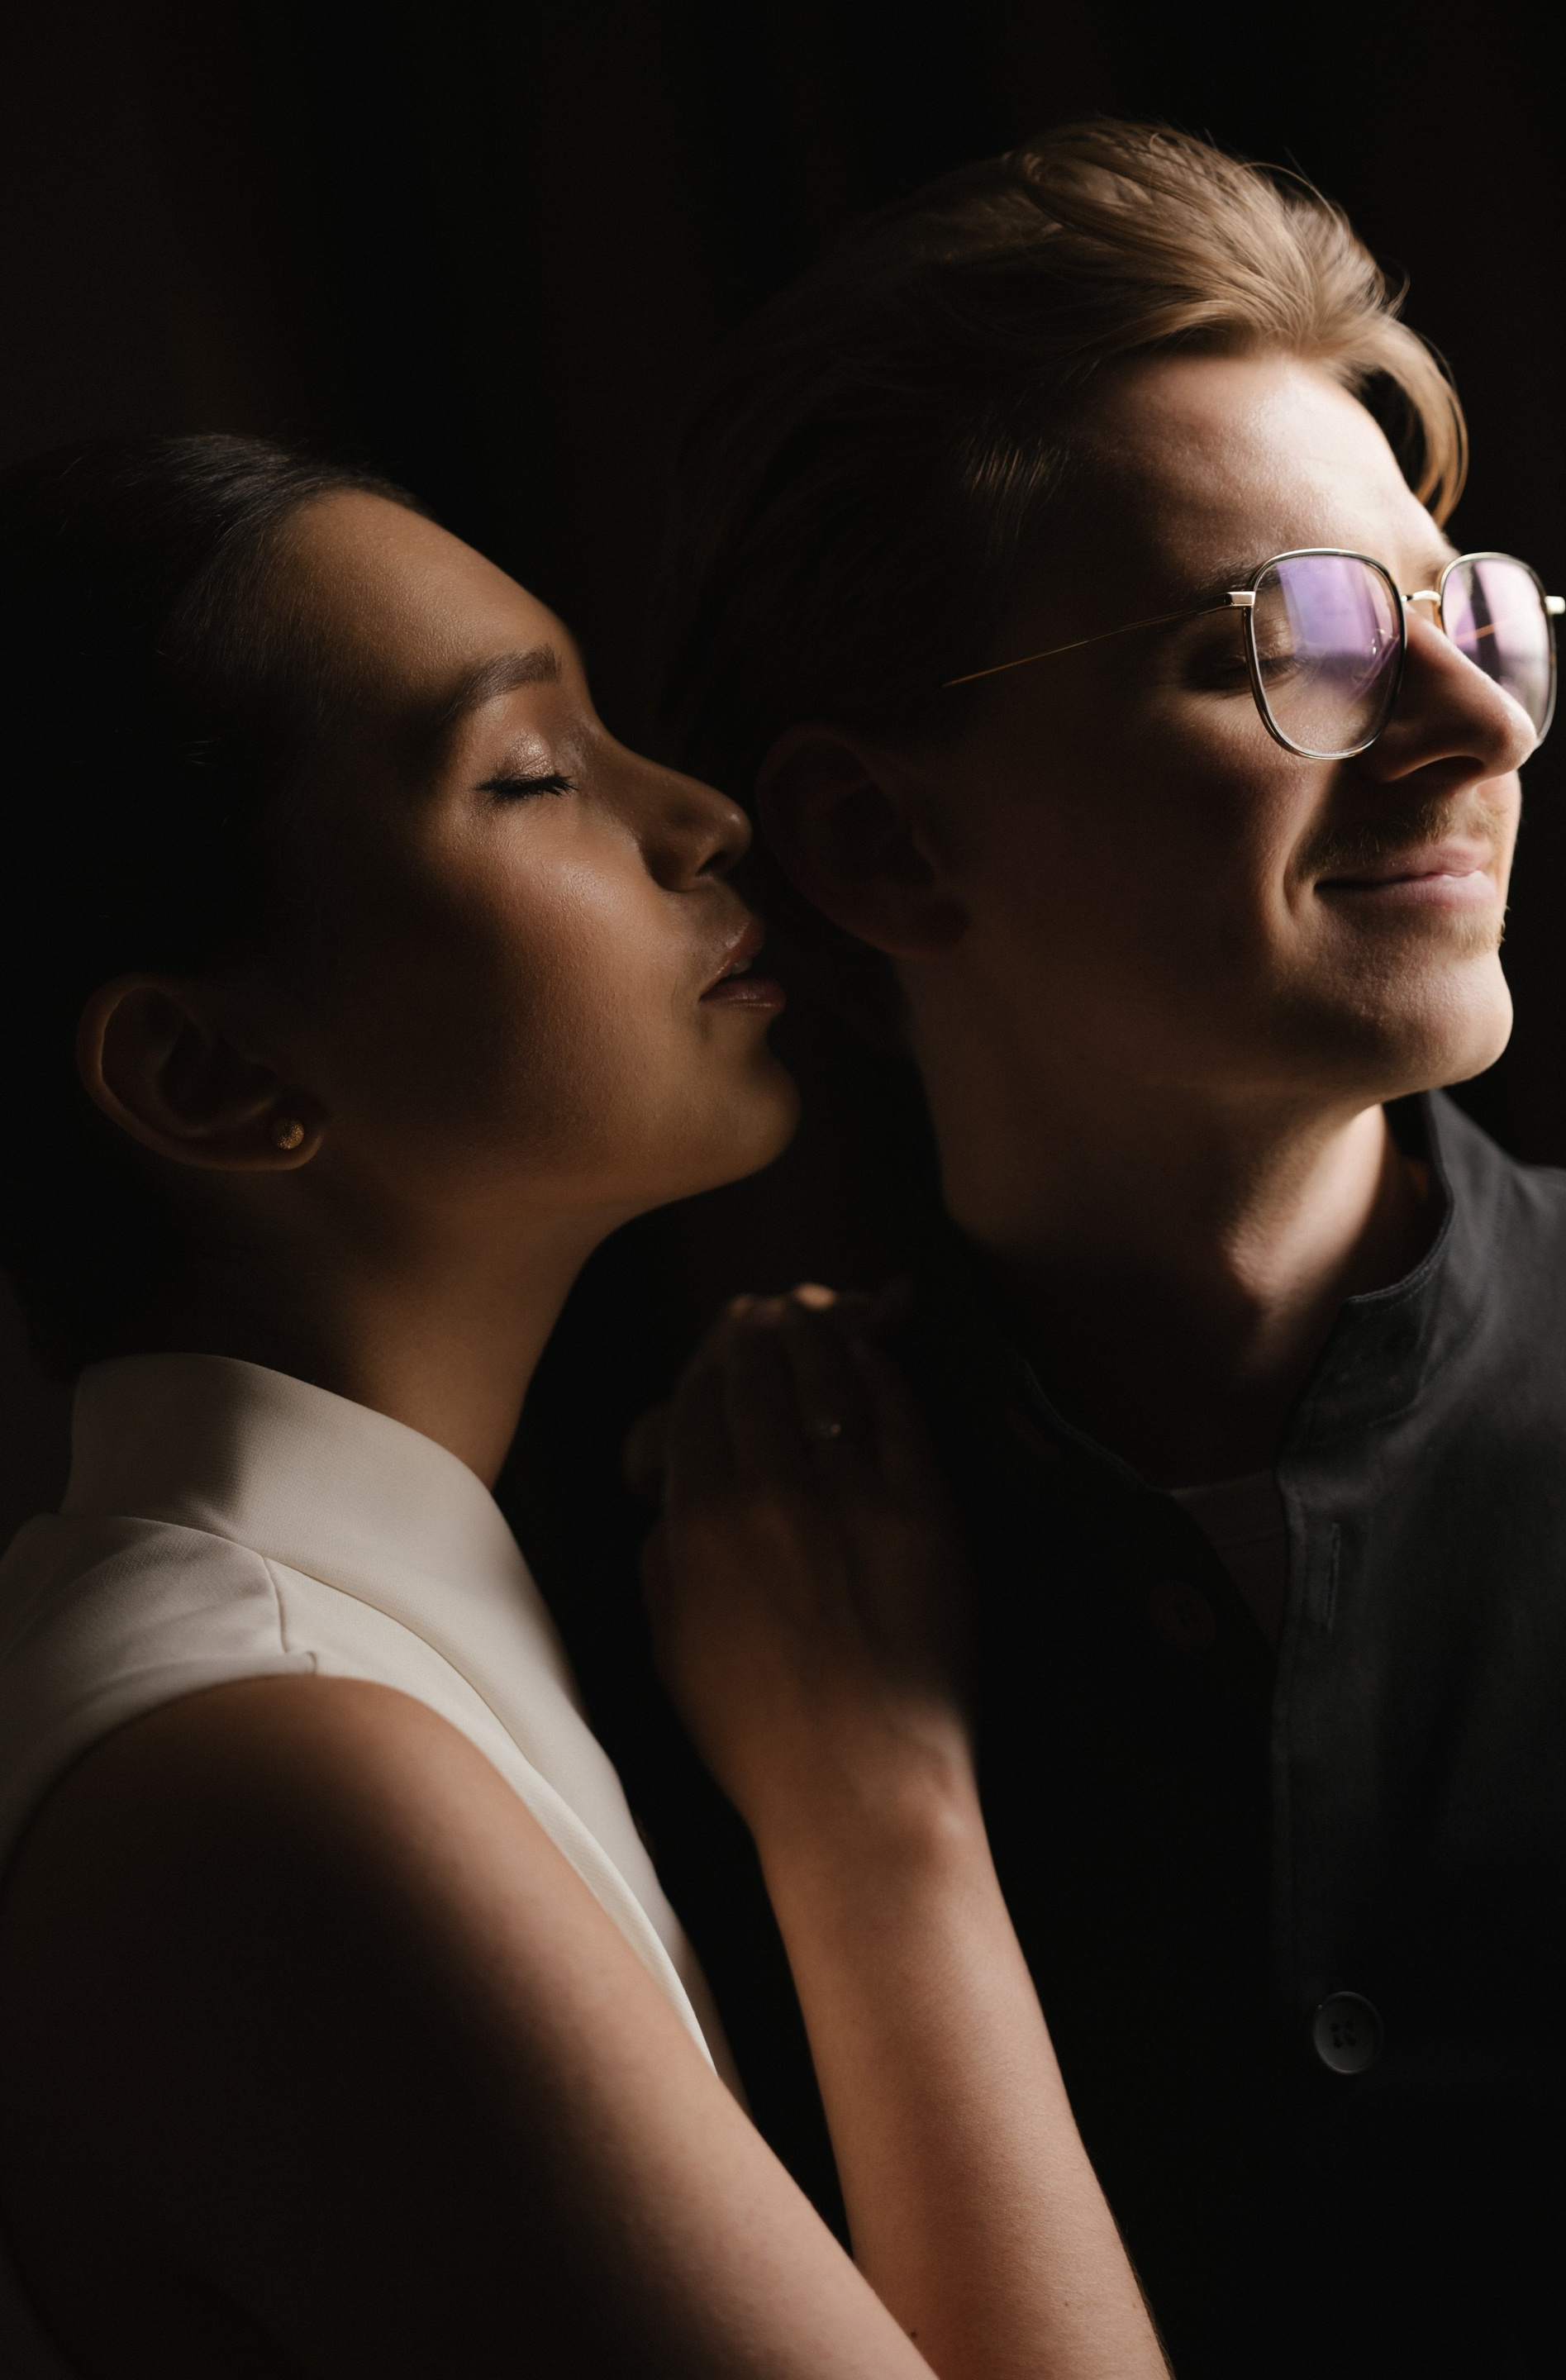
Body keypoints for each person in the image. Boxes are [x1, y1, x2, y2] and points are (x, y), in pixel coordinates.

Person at [0, 436, 1169, 2378]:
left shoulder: (285, 1654)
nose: (703, 817)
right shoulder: (274, 1770)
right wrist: (871, 1811)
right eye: (533, 772)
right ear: (208, 1075)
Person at [592, 120, 1566, 2378]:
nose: (1482, 728)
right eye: (1300, 638)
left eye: (1466, 616)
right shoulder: (673, 1621)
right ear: (880, 839)